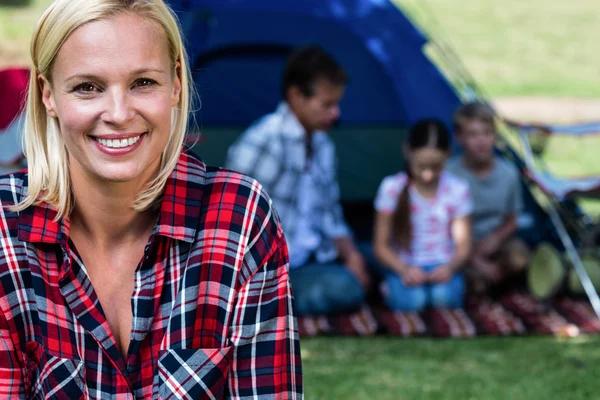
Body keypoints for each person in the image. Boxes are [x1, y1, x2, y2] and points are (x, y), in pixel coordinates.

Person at [0, 0, 302, 398]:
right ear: (48, 94)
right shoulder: (6, 229)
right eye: (87, 87)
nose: (119, 113)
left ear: (176, 84)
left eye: (143, 82)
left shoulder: (239, 216)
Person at [226, 45, 369, 317]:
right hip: (275, 271)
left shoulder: (322, 143)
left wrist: (353, 257)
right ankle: (270, 305)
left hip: (315, 251)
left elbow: (331, 214)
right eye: (327, 104)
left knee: (374, 257)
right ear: (295, 96)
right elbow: (232, 219)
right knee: (346, 288)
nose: (335, 114)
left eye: (337, 104)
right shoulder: (264, 139)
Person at [372, 120, 472, 312]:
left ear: (448, 155)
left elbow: (464, 245)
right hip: (405, 264)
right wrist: (404, 269)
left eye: (436, 167)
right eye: (421, 166)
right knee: (413, 302)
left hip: (442, 264)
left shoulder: (457, 189)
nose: (427, 175)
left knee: (443, 299)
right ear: (408, 151)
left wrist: (450, 267)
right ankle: (390, 287)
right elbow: (380, 246)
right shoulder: (392, 188)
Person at [446, 102, 530, 294]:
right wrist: (474, 258)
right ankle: (480, 280)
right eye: (473, 135)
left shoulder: (508, 173)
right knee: (476, 285)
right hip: (459, 247)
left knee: (518, 259)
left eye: (486, 133)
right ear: (459, 138)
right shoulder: (449, 175)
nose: (481, 141)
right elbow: (442, 226)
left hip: (496, 242)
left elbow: (512, 220)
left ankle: (496, 279)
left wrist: (496, 239)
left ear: (495, 136)